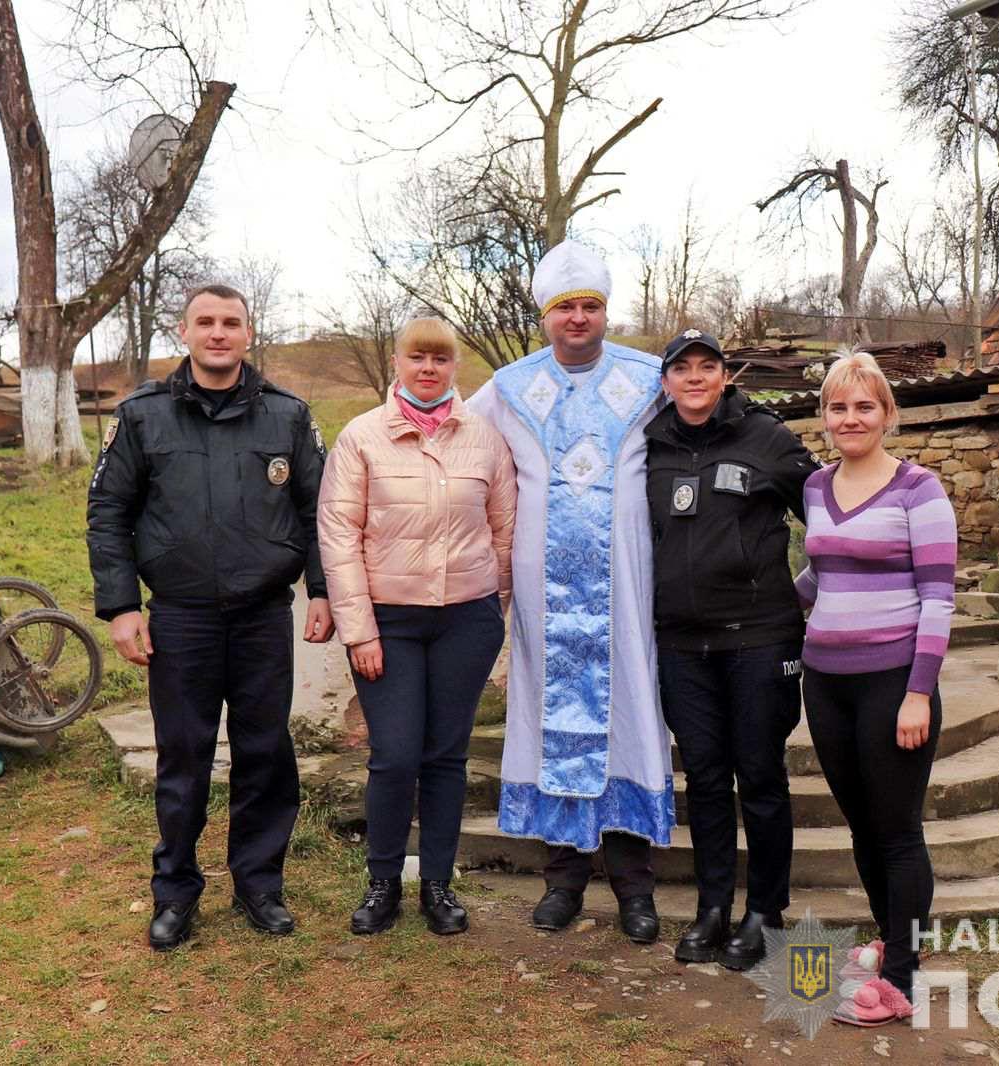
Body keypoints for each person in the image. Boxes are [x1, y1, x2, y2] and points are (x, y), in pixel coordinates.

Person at [87, 283, 333, 951]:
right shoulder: (143, 416)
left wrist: (321, 590)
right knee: (184, 756)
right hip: (182, 617)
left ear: (249, 333)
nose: (218, 332)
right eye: (206, 321)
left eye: (231, 322)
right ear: (184, 331)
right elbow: (109, 512)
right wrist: (120, 606)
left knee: (264, 752)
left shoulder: (287, 417)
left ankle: (259, 884)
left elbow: (320, 514)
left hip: (261, 616)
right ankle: (175, 893)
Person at [468, 240, 674, 944]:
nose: (578, 319)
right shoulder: (509, 388)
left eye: (590, 306)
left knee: (627, 721)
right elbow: (455, 446)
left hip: (627, 590)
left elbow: (714, 428)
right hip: (542, 595)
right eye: (565, 308)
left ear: (606, 311)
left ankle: (634, 887)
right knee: (549, 724)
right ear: (545, 315)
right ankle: (563, 881)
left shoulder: (651, 379)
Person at [317, 317, 516, 937]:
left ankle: (437, 884)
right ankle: (383, 883)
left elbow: (504, 529)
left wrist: (491, 609)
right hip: (389, 624)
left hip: (466, 619)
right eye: (417, 357)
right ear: (397, 363)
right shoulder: (362, 439)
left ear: (455, 366)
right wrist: (360, 630)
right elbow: (338, 535)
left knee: (445, 756)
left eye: (441, 358)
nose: (429, 368)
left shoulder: (484, 439)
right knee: (396, 755)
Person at [643, 328, 819, 970]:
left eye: (706, 366)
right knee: (708, 780)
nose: (694, 377)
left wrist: (819, 591)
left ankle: (765, 911)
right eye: (681, 368)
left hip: (759, 639)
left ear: (724, 376)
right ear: (666, 381)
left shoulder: (767, 437)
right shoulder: (650, 446)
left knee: (761, 776)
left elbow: (828, 520)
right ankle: (713, 907)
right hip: (684, 645)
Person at [793, 351, 955, 1026]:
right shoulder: (813, 488)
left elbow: (938, 597)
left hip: (893, 683)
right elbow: (817, 578)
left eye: (864, 406)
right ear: (825, 418)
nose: (850, 418)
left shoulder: (920, 490)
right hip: (826, 682)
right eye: (838, 407)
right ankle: (892, 940)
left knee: (896, 831)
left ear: (887, 414)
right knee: (861, 824)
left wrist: (919, 691)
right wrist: (749, 602)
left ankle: (901, 982)